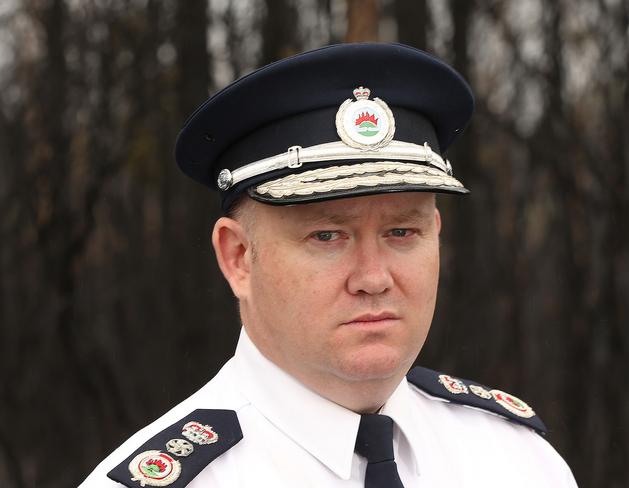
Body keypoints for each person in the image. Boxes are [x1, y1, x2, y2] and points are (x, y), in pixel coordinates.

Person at [80, 43, 578, 488]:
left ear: (437, 237)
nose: (373, 278)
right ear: (238, 258)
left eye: (401, 232)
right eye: (327, 236)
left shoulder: (518, 460)